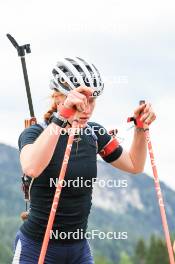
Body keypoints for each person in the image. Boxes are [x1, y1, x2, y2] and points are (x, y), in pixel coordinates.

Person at [12, 57, 156, 264]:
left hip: (78, 250)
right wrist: (62, 118)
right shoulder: (36, 132)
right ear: (58, 97)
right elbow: (32, 167)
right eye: (81, 100)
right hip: (36, 248)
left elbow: (134, 164)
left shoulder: (94, 133)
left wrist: (141, 129)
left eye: (92, 100)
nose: (86, 108)